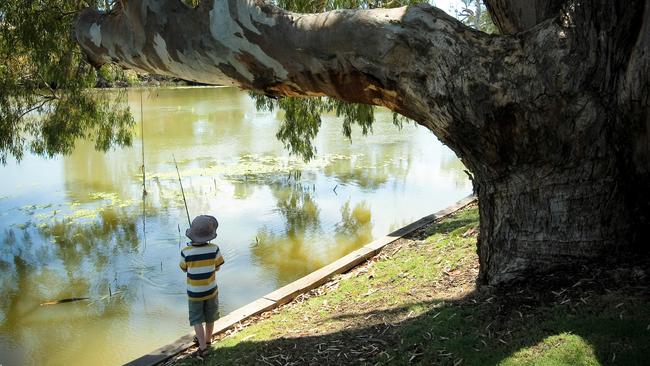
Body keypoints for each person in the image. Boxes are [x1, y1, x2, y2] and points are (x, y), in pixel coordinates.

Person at [179, 215, 225, 358]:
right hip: (211, 291)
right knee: (210, 317)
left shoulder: (186, 251)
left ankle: (203, 348)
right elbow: (217, 267)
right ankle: (208, 341)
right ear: (210, 236)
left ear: (192, 234)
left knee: (197, 319)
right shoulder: (214, 249)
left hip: (194, 294)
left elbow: (184, 268)